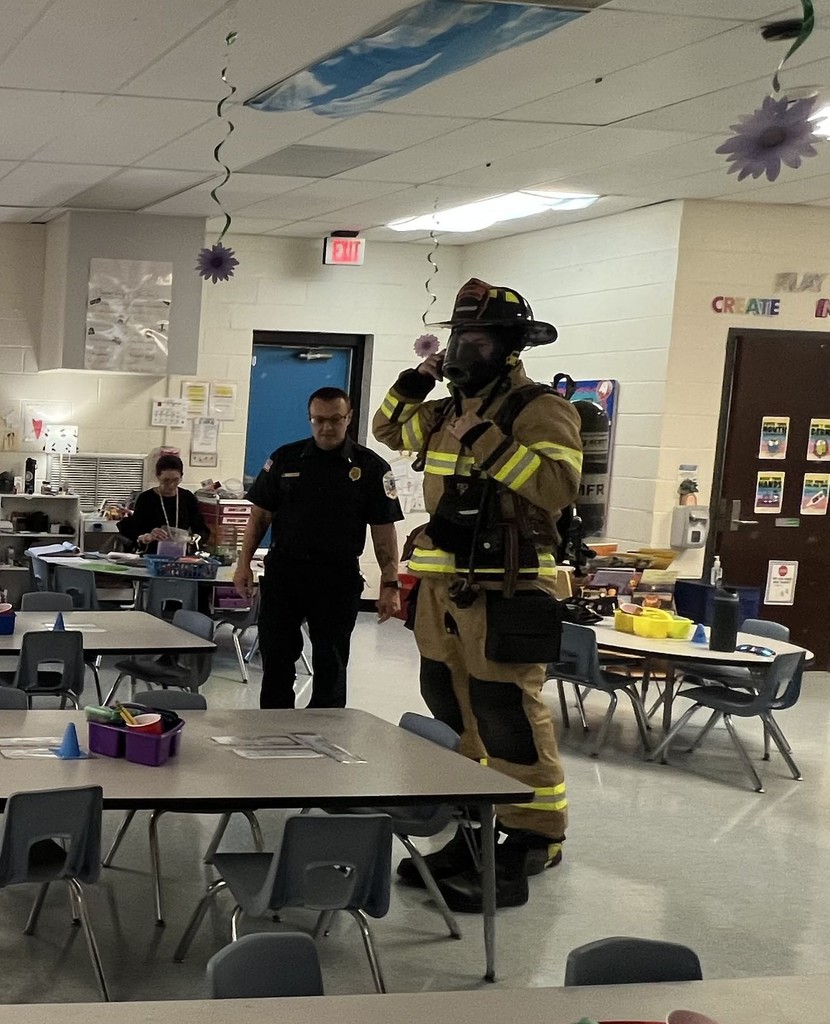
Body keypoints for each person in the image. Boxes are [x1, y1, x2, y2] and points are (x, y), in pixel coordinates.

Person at [373, 278, 583, 913]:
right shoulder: (444, 408)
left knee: (507, 712)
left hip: (508, 585)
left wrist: (483, 440)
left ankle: (530, 837)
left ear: (511, 345)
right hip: (443, 585)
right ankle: (473, 825)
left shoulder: (538, 408)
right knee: (449, 702)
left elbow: (556, 488)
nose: (465, 347)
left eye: (479, 337)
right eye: (459, 336)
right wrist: (420, 378)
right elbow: (388, 428)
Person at [234, 386, 404, 709]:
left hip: (336, 577)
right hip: (286, 573)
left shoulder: (371, 468)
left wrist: (390, 584)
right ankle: (273, 729)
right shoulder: (284, 459)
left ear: (349, 418)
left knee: (331, 661)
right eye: (318, 420)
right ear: (310, 419)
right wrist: (243, 565)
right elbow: (259, 517)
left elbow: (384, 532)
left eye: (335, 419)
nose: (326, 427)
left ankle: (327, 735)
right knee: (276, 657)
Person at [117, 453, 210, 554]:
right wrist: (147, 536)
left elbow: (202, 530)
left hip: (180, 555)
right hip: (151, 554)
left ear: (181, 476)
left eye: (176, 480)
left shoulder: (188, 498)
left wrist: (192, 539)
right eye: (166, 480)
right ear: (158, 476)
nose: (171, 485)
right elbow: (135, 529)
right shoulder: (146, 498)